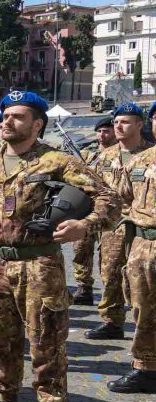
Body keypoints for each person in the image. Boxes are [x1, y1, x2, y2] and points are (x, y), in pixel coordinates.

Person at [0, 91, 116, 402]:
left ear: (37, 124)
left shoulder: (56, 161)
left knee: (46, 341)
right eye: (5, 115)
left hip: (39, 263)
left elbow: (109, 199)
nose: (8, 121)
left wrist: (86, 225)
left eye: (18, 116)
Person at [85, 104, 151, 341]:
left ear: (140, 125)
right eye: (116, 122)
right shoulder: (105, 156)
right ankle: (112, 321)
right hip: (112, 226)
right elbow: (91, 189)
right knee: (110, 271)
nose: (118, 126)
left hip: (140, 227)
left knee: (140, 278)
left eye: (125, 122)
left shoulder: (150, 154)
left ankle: (143, 325)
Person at [107, 101, 156, 393]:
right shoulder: (141, 161)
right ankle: (146, 367)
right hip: (143, 244)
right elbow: (120, 197)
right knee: (142, 306)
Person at [71, 116, 116, 304]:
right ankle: (84, 287)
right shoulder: (88, 154)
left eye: (106, 130)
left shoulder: (120, 154)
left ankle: (113, 294)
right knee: (80, 249)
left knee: (110, 255)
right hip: (87, 209)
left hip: (111, 211)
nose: (102, 134)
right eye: (99, 131)